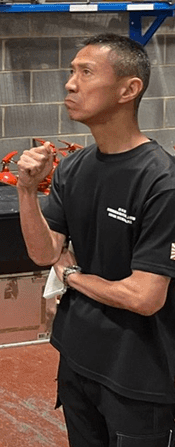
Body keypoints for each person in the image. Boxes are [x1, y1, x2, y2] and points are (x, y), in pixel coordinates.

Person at [17, 34, 175, 447]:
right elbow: (43, 253)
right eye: (72, 72)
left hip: (138, 374)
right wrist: (26, 191)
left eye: (86, 72)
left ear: (128, 89)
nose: (70, 83)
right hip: (78, 360)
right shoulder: (75, 168)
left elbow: (145, 297)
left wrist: (71, 276)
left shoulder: (162, 182)